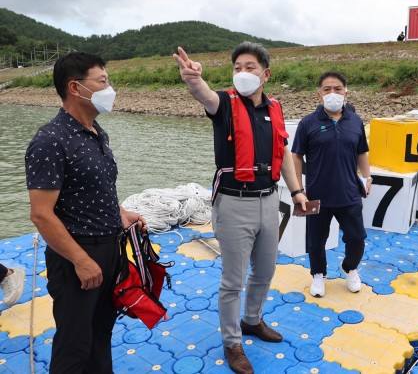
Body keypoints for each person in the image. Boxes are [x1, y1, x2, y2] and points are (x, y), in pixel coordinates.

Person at [173, 42, 308, 374]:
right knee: (233, 280)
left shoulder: (275, 109)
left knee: (265, 271)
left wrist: (297, 192)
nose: (242, 73)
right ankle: (232, 342)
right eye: (237, 67)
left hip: (268, 202)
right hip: (234, 204)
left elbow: (284, 157)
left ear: (266, 74)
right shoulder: (223, 104)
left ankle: (252, 320)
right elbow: (204, 95)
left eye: (250, 67)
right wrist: (193, 80)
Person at [26, 51, 147, 374]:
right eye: (103, 81)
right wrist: (80, 260)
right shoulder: (50, 140)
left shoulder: (95, 132)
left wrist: (121, 213)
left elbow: (97, 187)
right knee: (75, 342)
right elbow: (41, 214)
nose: (111, 88)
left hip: (108, 250)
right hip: (76, 255)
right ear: (76, 88)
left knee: (101, 333)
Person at [291, 71, 372, 298]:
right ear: (319, 95)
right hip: (317, 194)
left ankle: (349, 268)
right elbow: (296, 157)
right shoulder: (307, 123)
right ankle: (318, 274)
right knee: (316, 241)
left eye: (337, 89)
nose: (332, 93)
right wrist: (298, 189)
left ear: (346, 93)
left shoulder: (355, 121)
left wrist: (367, 176)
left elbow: (362, 152)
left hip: (349, 192)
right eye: (327, 90)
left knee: (357, 238)